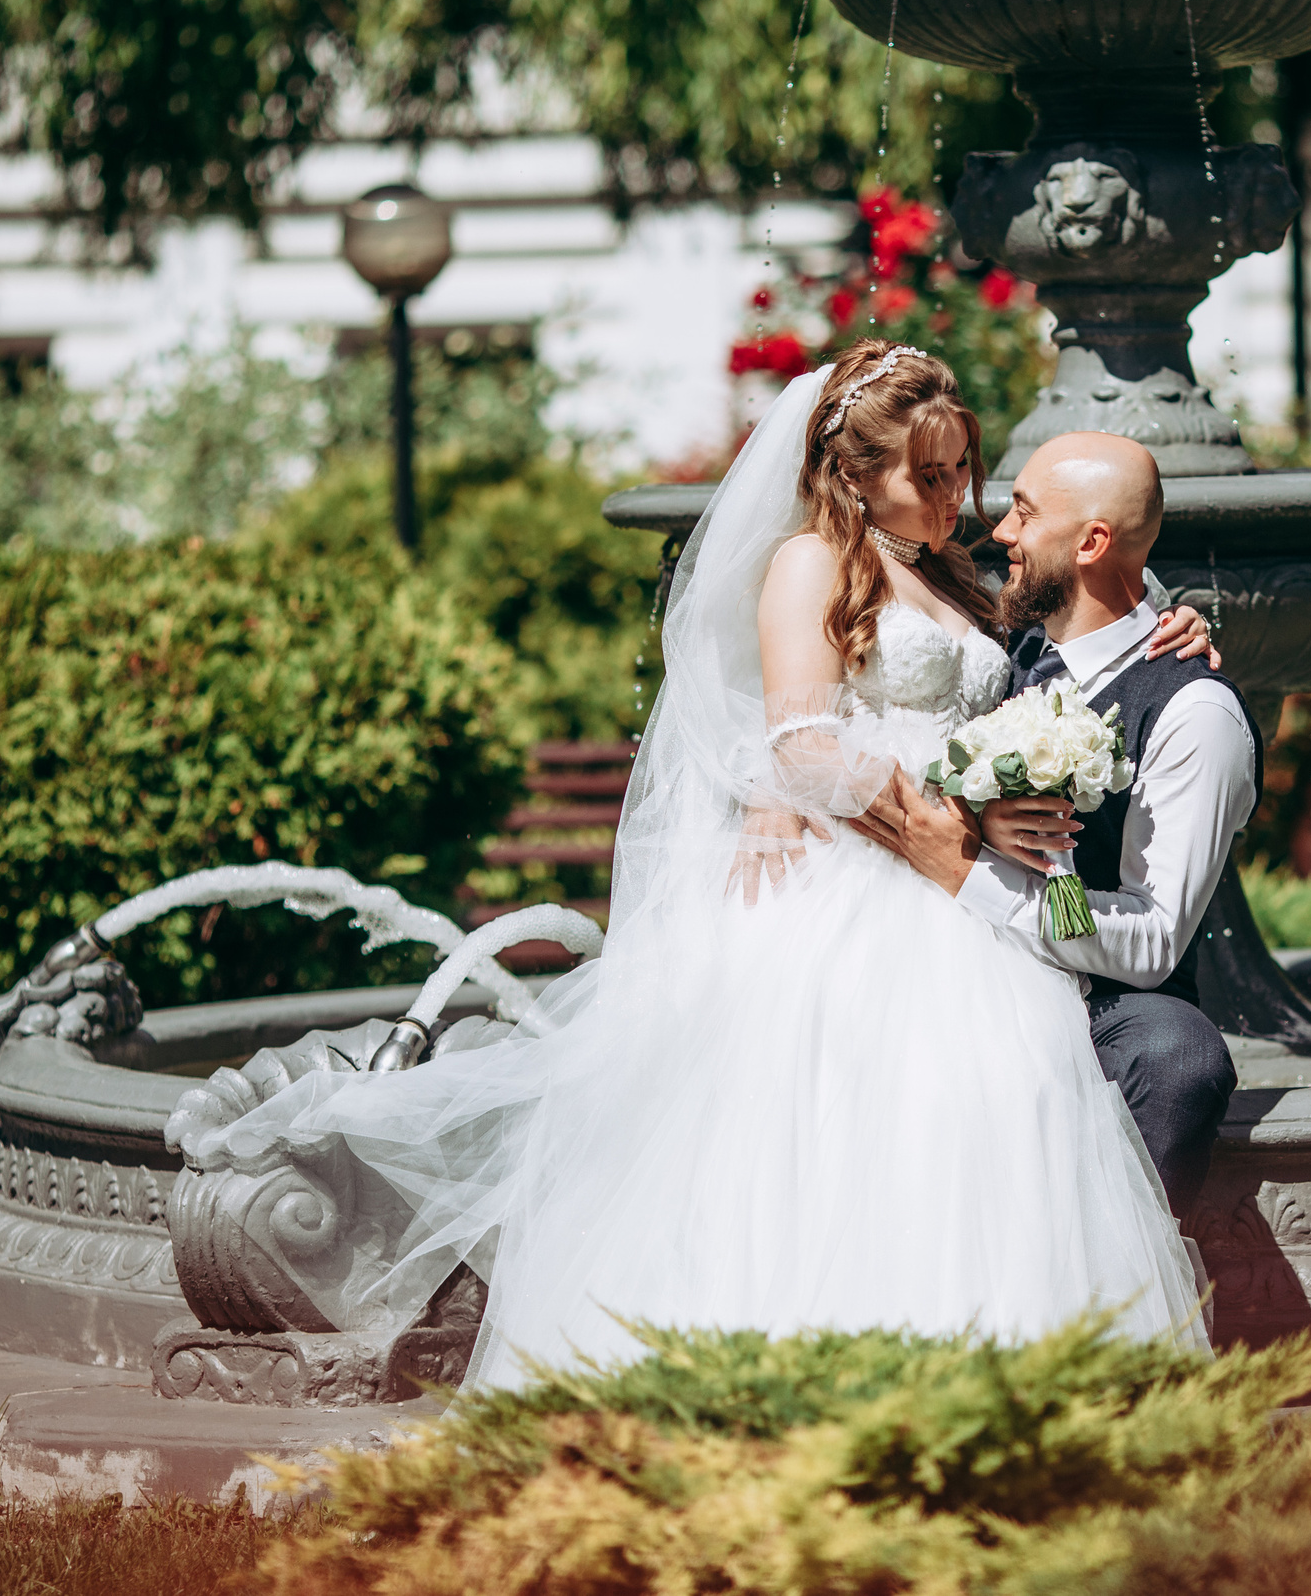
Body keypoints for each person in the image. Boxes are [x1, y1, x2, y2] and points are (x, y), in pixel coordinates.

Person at [170, 340, 1233, 1389]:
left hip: (965, 903)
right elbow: (800, 741)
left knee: (991, 1116)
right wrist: (938, 808)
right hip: (866, 890)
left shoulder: (955, 573)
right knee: (834, 1123)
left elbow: (1075, 604)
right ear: (853, 475)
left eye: (965, 469)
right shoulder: (810, 562)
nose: (958, 495)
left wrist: (1171, 614)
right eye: (930, 473)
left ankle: (993, 1364)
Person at [847, 431, 1255, 1218]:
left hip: (1100, 999)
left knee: (1179, 1054)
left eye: (1024, 513)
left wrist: (963, 870)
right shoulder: (1012, 647)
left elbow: (1154, 937)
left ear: (1092, 541)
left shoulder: (1195, 713)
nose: (998, 531)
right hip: (946, 961)